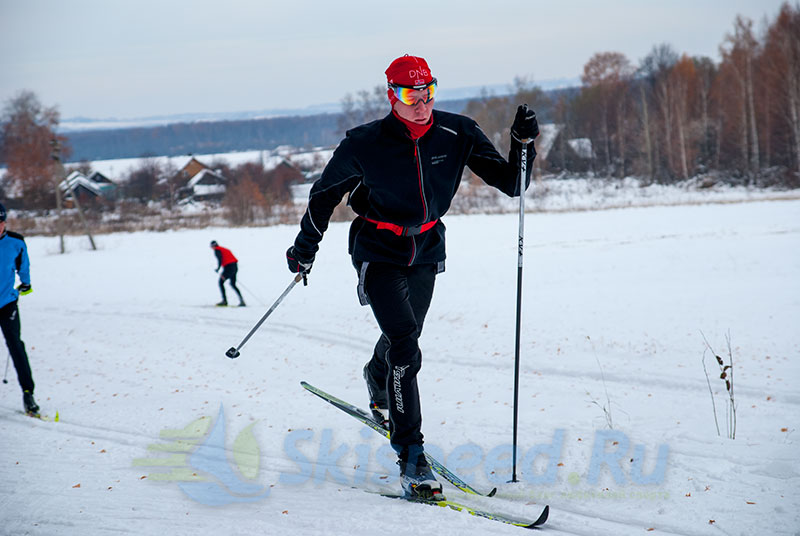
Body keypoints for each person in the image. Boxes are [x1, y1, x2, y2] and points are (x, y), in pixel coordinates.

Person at [285, 54, 538, 500]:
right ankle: (411, 457)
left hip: (425, 246)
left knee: (406, 334)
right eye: (409, 95)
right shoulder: (364, 143)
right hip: (378, 248)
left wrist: (522, 145)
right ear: (392, 96)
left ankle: (376, 373)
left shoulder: (457, 131)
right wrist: (305, 249)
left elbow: (512, 183)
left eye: (426, 94)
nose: (420, 104)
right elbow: (324, 194)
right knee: (406, 341)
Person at [0, 203, 39, 415]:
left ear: (5, 222)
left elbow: (23, 266)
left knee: (16, 346)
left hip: (7, 303)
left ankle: (28, 393)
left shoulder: (16, 242)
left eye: (0, 222)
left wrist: (26, 283)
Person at [210, 240, 245, 307]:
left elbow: (220, 259)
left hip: (228, 268)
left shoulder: (217, 250)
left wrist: (218, 268)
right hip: (234, 267)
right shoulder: (224, 249)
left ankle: (224, 301)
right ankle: (242, 301)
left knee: (221, 283)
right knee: (233, 284)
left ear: (213, 246)